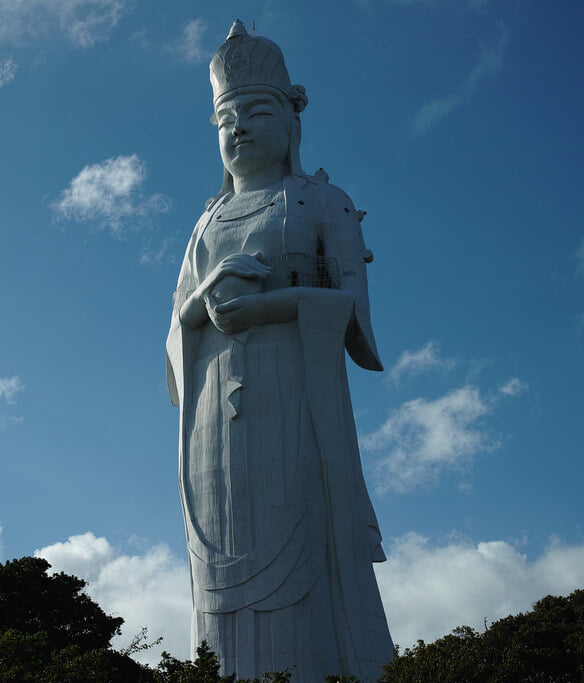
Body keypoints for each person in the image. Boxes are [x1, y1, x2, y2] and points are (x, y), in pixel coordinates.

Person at [165, 20, 394, 681]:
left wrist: (270, 305)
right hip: (212, 410)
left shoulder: (321, 202)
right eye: (225, 121)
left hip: (291, 390)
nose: (238, 130)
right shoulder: (205, 222)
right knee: (217, 562)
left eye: (255, 113)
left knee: (302, 536)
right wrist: (210, 291)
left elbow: (352, 313)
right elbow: (176, 323)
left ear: (290, 120)